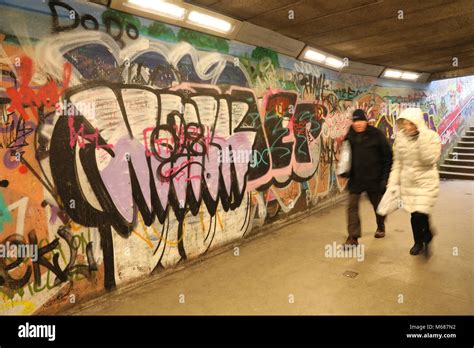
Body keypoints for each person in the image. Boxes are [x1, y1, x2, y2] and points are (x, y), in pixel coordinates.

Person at [387, 108, 441, 256]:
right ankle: (418, 241)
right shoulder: (401, 139)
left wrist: (421, 138)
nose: (408, 127)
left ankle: (427, 236)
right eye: (404, 124)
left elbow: (429, 159)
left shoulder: (432, 137)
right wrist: (392, 184)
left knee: (420, 213)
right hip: (408, 183)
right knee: (414, 215)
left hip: (426, 182)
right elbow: (397, 164)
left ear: (418, 123)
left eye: (411, 124)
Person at [343, 109, 393, 247]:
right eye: (355, 121)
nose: (358, 124)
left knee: (378, 206)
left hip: (374, 179)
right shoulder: (350, 136)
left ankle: (381, 225)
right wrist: (344, 170)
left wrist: (384, 178)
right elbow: (345, 156)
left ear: (366, 121)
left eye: (360, 120)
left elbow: (388, 157)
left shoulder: (376, 135)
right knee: (352, 207)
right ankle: (353, 237)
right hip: (356, 179)